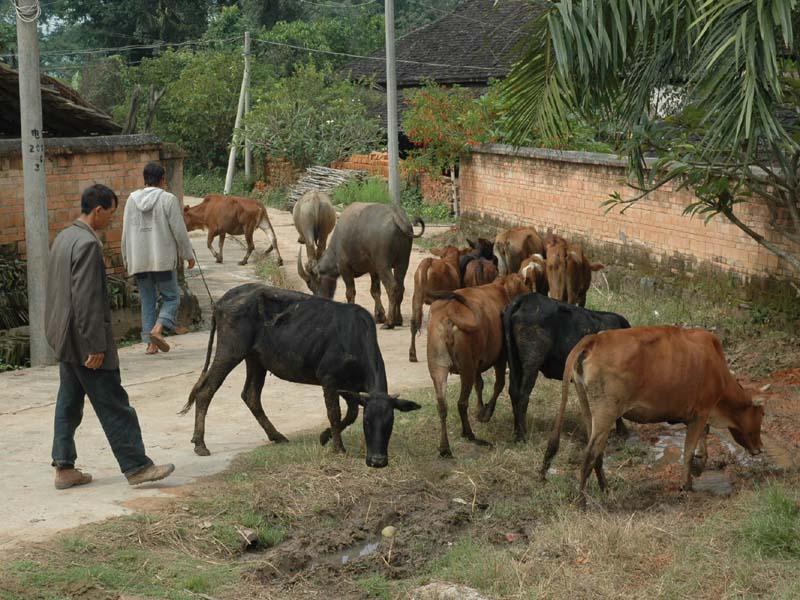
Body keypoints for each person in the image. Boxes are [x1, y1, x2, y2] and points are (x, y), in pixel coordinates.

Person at [45, 184, 175, 489]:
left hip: (64, 338)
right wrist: (95, 345)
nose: (112, 221)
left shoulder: (64, 237)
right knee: (115, 403)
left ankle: (64, 467)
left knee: (68, 402)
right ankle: (137, 467)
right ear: (98, 210)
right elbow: (86, 299)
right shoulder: (88, 244)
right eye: (111, 214)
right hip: (84, 341)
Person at [121, 162, 195, 355]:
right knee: (171, 298)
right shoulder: (168, 199)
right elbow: (179, 231)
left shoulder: (131, 200)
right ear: (163, 180)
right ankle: (157, 329)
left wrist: (126, 259)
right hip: (162, 260)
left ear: (145, 179)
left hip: (139, 259)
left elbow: (125, 233)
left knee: (147, 300)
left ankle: (151, 344)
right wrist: (188, 255)